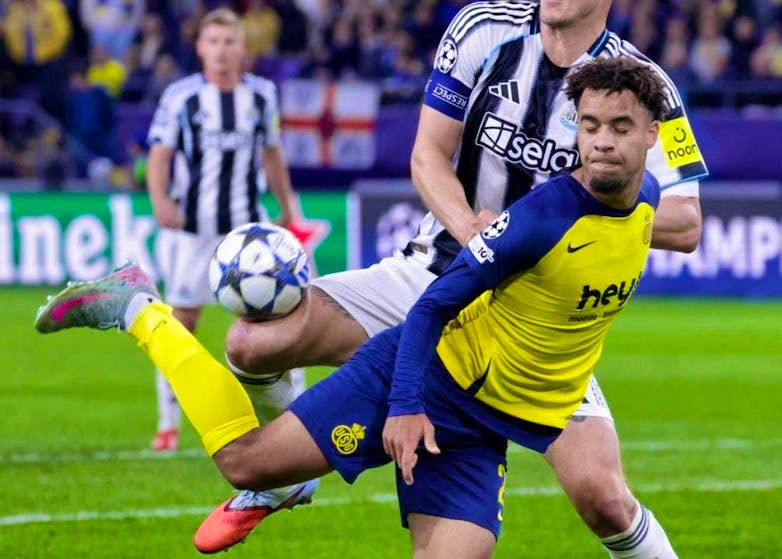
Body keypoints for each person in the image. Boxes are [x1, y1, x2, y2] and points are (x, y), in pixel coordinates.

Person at [35, 56, 678, 559]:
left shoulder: (645, 197)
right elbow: (430, 309)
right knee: (244, 464)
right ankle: (139, 310)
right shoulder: (541, 218)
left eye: (619, 128)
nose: (600, 143)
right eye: (589, 126)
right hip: (427, 378)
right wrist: (404, 406)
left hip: (486, 425)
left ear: (652, 135)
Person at [201, 0, 706, 555]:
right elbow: (427, 155)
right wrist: (473, 231)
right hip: (433, 269)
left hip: (531, 318)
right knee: (252, 343)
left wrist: (558, 220)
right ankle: (289, 480)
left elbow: (686, 223)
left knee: (603, 498)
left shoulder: (640, 83)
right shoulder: (481, 28)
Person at [145, 8, 300, 452]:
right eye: (212, 42)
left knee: (273, 318)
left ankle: (292, 412)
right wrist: (159, 200)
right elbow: (159, 153)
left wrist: (288, 206)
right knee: (181, 322)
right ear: (200, 48)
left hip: (246, 230)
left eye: (229, 42)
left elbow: (272, 154)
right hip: (192, 228)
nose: (221, 50)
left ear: (242, 48)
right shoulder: (181, 97)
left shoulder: (262, 96)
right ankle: (168, 423)